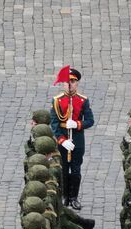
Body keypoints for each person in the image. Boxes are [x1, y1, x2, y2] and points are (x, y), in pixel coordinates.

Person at [49, 66, 95, 210]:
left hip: (77, 137)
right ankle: (64, 196)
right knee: (63, 169)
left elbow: (90, 120)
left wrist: (77, 124)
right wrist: (62, 140)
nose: (70, 84)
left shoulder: (82, 100)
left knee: (75, 169)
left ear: (77, 83)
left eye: (73, 81)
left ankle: (74, 197)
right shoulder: (57, 101)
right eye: (67, 82)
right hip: (63, 137)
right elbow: (54, 123)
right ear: (63, 84)